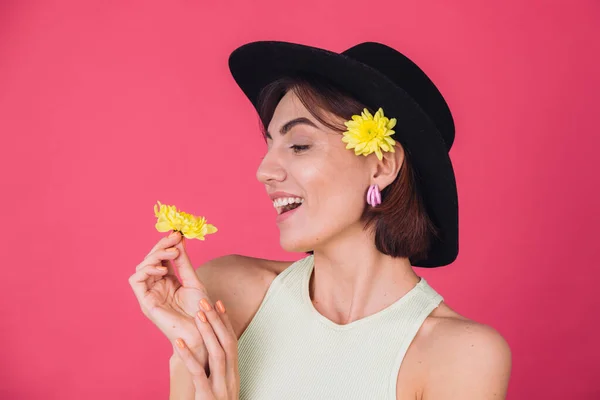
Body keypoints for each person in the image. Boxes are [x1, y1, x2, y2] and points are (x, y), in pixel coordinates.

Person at [129, 40, 512, 399]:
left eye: (299, 145)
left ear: (381, 165)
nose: (264, 171)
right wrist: (196, 357)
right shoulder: (225, 292)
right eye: (269, 147)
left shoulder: (463, 354)